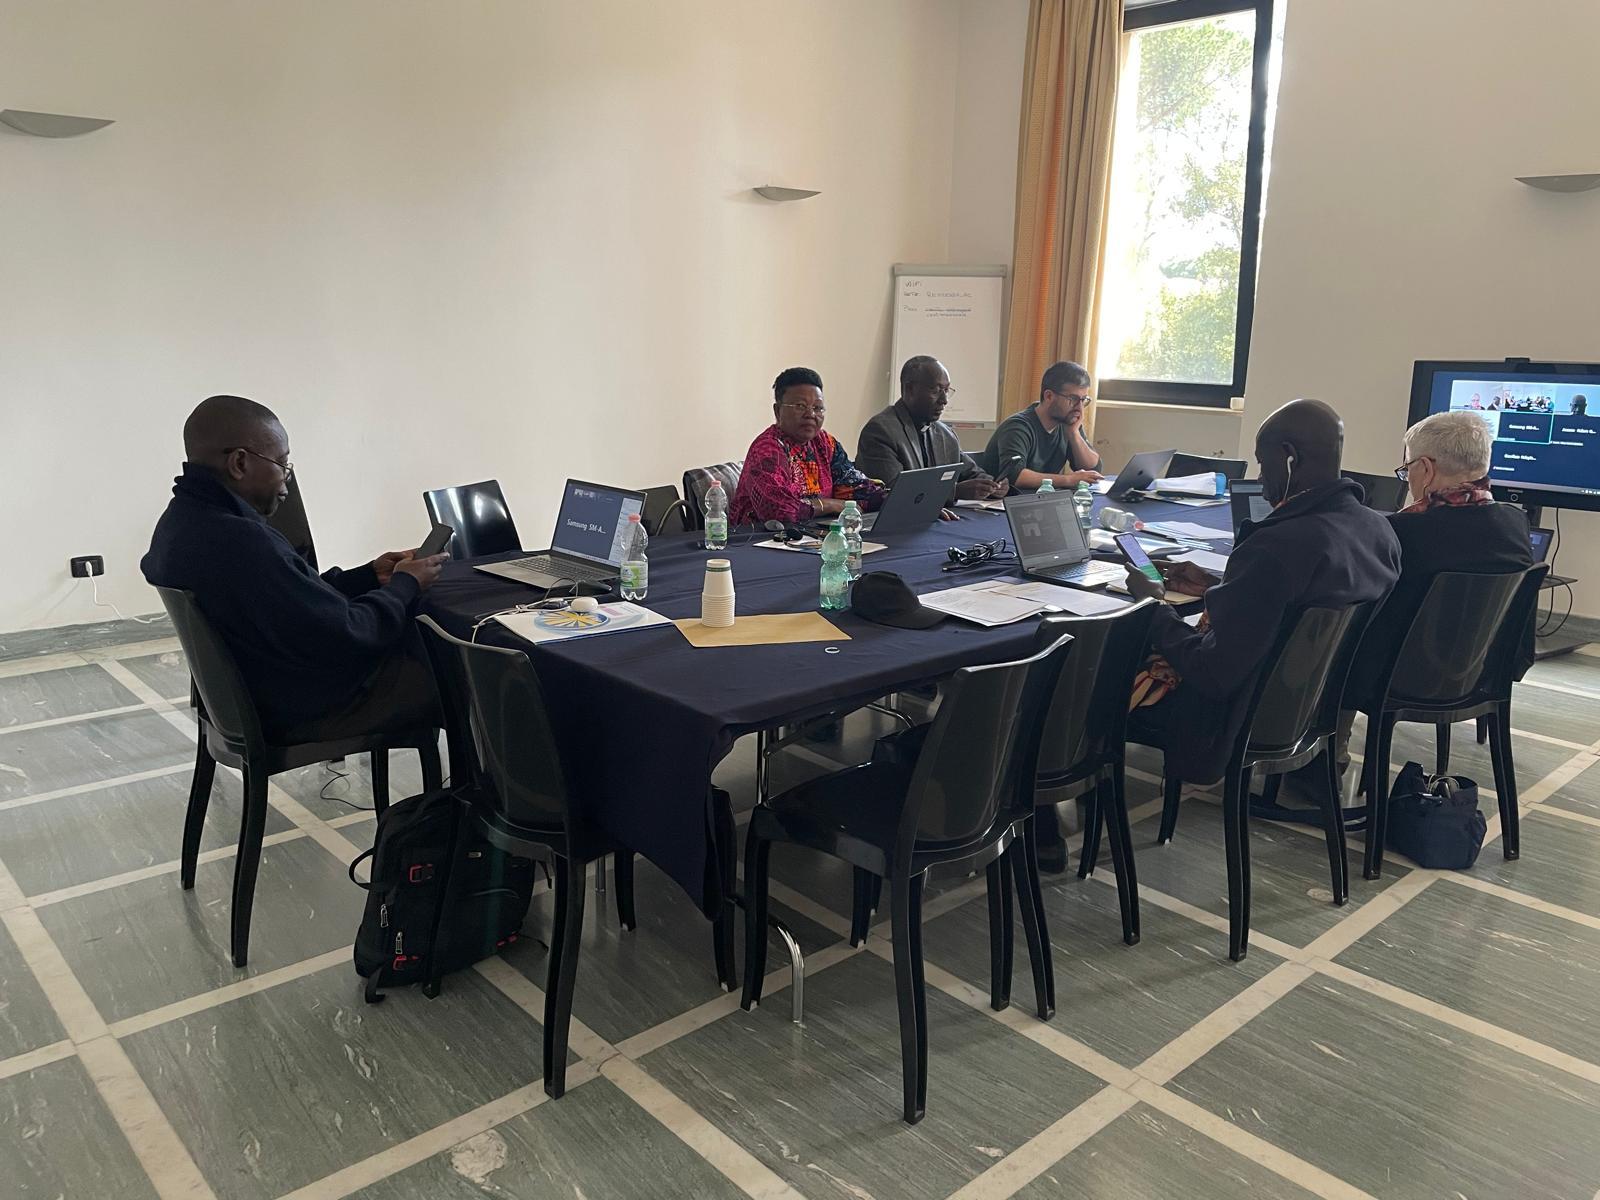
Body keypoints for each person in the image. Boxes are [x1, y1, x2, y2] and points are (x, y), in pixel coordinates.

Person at [1122, 399, 1400, 786]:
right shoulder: (1379, 532)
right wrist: (1220, 588)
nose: (1260, 476)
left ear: (1289, 458)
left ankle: (1074, 802)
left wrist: (1152, 605)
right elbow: (1289, 610)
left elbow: (1212, 672)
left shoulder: (1276, 546)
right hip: (1310, 709)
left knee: (1097, 671)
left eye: (1262, 462)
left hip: (1225, 724)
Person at [141, 395, 446, 740]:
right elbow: (351, 633)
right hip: (299, 709)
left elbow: (293, 598)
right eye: (282, 464)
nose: (286, 484)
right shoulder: (242, 540)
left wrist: (369, 576)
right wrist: (405, 585)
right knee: (448, 666)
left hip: (252, 696)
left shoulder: (182, 520)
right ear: (240, 463)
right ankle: (477, 774)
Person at [1336, 410, 1534, 762]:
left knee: (1330, 644)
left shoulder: (1402, 533)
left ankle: (1327, 760)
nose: (1408, 477)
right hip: (1481, 676)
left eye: (1407, 468)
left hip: (1393, 679)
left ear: (1425, 468)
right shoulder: (1515, 524)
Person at [730, 367, 886, 525]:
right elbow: (780, 511)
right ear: (778, 411)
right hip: (758, 536)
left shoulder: (825, 443)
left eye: (817, 408)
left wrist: (888, 498)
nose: (810, 414)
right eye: (800, 406)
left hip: (812, 533)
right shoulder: (767, 449)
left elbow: (854, 488)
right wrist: (830, 505)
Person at [855, 357, 1008, 503]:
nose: (944, 400)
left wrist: (992, 485)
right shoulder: (880, 431)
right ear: (910, 389)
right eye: (936, 390)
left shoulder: (945, 434)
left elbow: (970, 472)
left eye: (946, 390)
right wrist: (955, 492)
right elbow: (891, 493)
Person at [977, 361, 1103, 490]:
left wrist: (1074, 434)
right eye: (1073, 399)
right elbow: (1015, 476)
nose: (1080, 408)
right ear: (1049, 396)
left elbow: (1092, 469)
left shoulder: (1068, 424)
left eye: (1083, 400)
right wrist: (1069, 480)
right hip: (1002, 500)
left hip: (1042, 499)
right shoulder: (1017, 427)